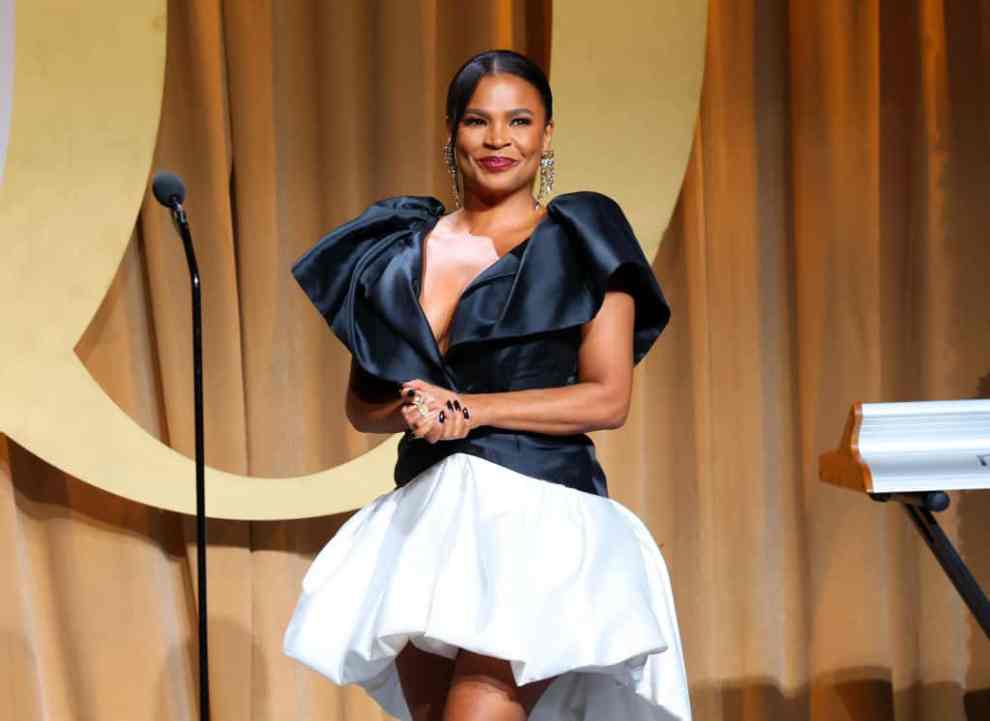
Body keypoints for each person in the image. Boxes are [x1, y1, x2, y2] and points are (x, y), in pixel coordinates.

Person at [283, 49, 691, 721]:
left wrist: (470, 409)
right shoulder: (396, 249)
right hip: (429, 524)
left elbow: (608, 397)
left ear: (547, 135)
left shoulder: (583, 238)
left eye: (520, 121)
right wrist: (415, 406)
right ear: (451, 133)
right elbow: (364, 404)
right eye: (479, 121)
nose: (499, 139)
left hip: (538, 516)